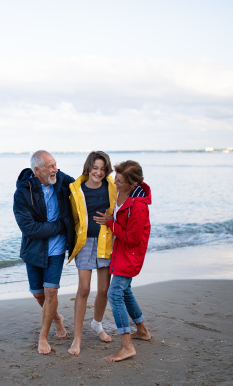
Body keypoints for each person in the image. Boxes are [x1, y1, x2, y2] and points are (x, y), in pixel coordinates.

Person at [13, 150, 75, 354]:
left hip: (56, 247)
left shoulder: (62, 181)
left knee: (51, 291)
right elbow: (29, 229)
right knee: (38, 293)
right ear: (36, 170)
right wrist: (60, 225)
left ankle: (44, 336)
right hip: (34, 248)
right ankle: (57, 317)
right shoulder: (22, 192)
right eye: (50, 166)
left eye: (56, 164)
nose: (55, 170)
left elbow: (85, 187)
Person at [94, 160, 152, 362]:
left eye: (119, 181)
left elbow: (132, 238)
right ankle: (142, 330)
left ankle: (126, 346)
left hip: (131, 254)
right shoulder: (121, 192)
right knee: (125, 291)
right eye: (115, 179)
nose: (115, 183)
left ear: (132, 183)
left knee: (115, 293)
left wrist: (111, 223)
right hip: (120, 252)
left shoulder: (138, 207)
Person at [66, 151, 117, 356]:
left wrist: (110, 221)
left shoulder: (111, 186)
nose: (99, 172)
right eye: (95, 168)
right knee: (84, 289)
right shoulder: (76, 188)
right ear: (88, 167)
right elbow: (70, 217)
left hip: (106, 241)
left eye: (103, 169)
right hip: (85, 242)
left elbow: (123, 204)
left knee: (104, 289)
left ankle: (97, 324)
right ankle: (77, 338)